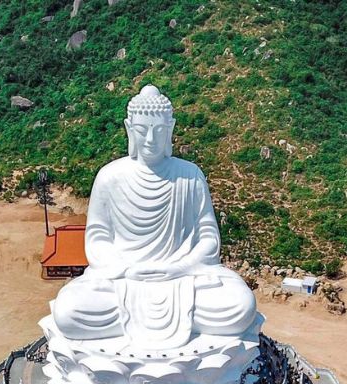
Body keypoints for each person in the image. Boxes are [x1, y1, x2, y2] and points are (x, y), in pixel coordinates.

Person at [50, 85, 258, 349]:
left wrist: (177, 268)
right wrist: (127, 268)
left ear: (170, 128)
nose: (150, 139)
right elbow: (97, 238)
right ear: (129, 128)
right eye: (142, 129)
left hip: (182, 278)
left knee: (240, 306)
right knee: (68, 311)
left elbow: (208, 237)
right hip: (124, 278)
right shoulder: (110, 176)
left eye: (158, 130)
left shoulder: (190, 175)